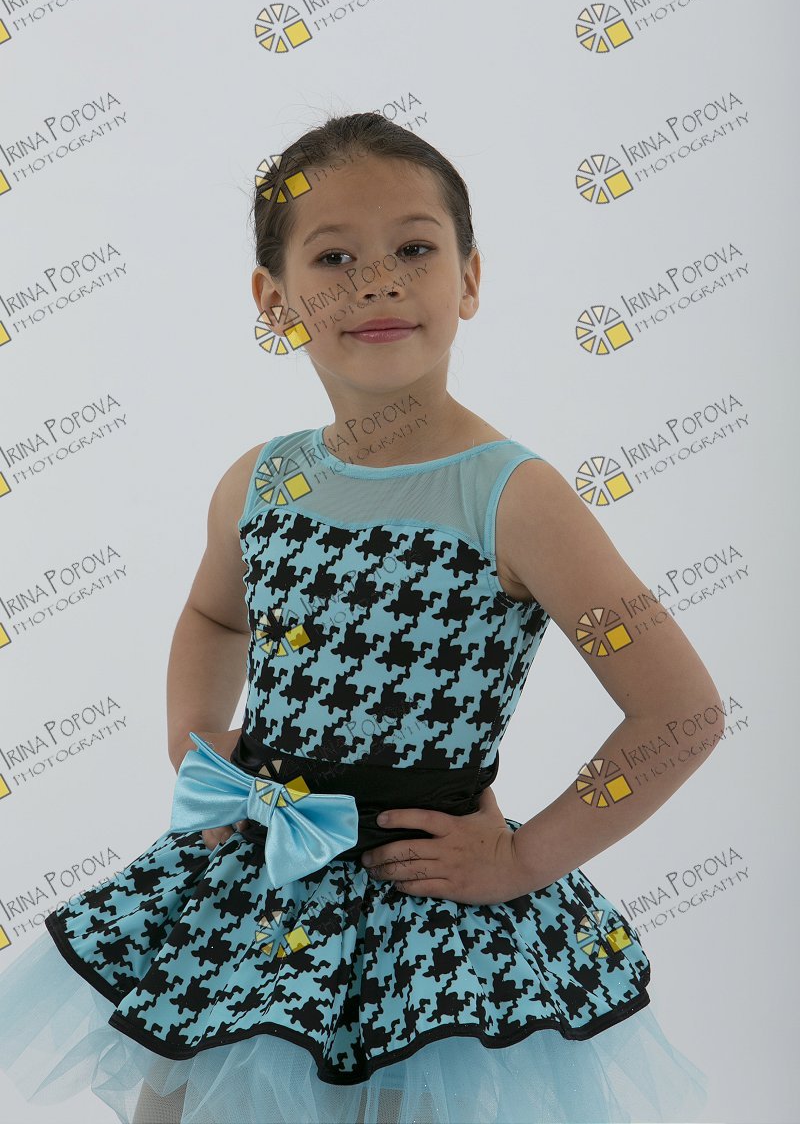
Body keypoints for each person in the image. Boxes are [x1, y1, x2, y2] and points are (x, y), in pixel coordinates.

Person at [0, 111, 715, 1124]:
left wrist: (524, 857)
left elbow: (678, 711)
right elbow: (214, 617)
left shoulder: (514, 499)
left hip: (424, 907)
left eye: (413, 250)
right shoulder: (262, 480)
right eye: (334, 257)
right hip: (255, 892)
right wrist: (196, 737)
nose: (376, 282)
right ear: (274, 300)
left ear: (469, 279)